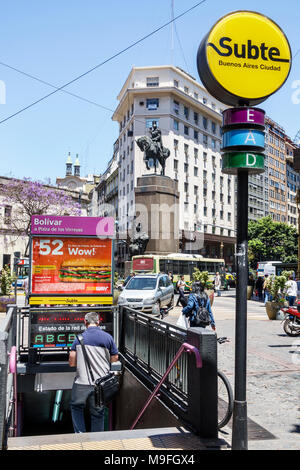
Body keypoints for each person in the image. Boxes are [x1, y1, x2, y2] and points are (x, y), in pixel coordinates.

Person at [69, 311, 119, 433]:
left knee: (76, 407)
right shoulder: (108, 338)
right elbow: (114, 359)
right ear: (98, 322)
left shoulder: (79, 339)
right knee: (98, 413)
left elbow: (72, 361)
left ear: (85, 322)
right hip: (100, 384)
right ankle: (97, 441)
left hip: (82, 382)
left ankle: (80, 435)